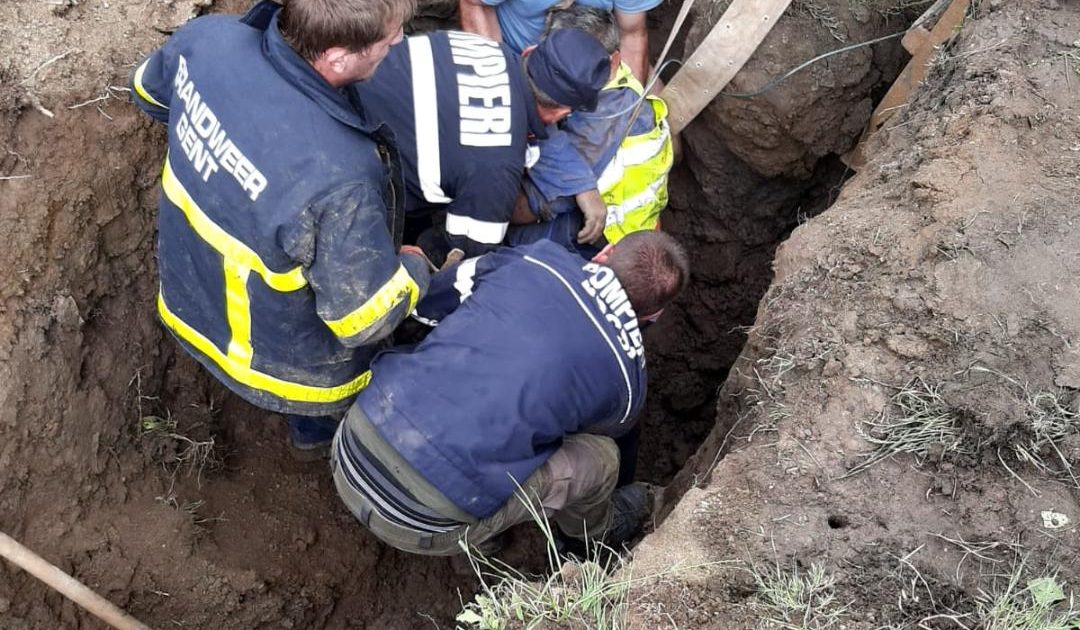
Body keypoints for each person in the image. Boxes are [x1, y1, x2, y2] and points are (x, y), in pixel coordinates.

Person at [129, 0, 431, 444]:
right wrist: (414, 269)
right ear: (338, 57)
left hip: (187, 297)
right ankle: (315, 436)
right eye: (389, 39)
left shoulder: (207, 40)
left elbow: (148, 94)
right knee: (343, 395)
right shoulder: (339, 175)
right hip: (279, 365)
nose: (400, 41)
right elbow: (364, 320)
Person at [330, 231, 690, 555]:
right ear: (653, 317)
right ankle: (588, 537)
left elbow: (430, 305)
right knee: (603, 457)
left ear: (605, 253)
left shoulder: (534, 258)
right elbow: (598, 431)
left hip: (351, 442)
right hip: (426, 527)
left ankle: (484, 525)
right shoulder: (628, 378)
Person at [350, 28, 612, 260]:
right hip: (354, 184)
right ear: (564, 112)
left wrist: (579, 183)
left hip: (335, 97)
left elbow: (533, 119)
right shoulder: (498, 170)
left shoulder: (481, 45)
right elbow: (464, 256)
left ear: (529, 52)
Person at [508, 6, 674, 259]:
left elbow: (534, 205)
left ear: (613, 62)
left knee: (507, 244)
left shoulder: (605, 120)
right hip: (630, 228)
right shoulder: (612, 84)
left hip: (609, 243)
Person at [458, 0, 659, 85]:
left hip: (592, 65)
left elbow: (632, 36)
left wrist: (625, 116)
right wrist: (498, 84)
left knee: (663, 137)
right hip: (517, 62)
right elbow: (474, 4)